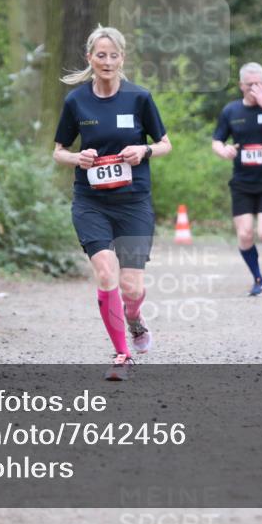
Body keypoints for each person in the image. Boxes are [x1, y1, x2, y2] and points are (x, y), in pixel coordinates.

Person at [52, 26, 172, 381]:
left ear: (123, 59)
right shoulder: (76, 102)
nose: (107, 62)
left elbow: (166, 143)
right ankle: (121, 353)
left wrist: (145, 149)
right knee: (106, 272)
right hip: (91, 202)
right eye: (100, 55)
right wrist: (78, 159)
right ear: (90, 58)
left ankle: (134, 318)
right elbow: (58, 152)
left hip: (133, 202)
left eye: (113, 55)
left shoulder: (139, 98)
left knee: (131, 288)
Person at [212, 63, 262, 296]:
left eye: (259, 84)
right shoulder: (231, 111)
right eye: (250, 85)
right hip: (242, 183)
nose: (255, 89)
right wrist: (224, 150)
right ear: (241, 86)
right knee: (245, 234)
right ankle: (258, 279)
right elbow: (217, 140)